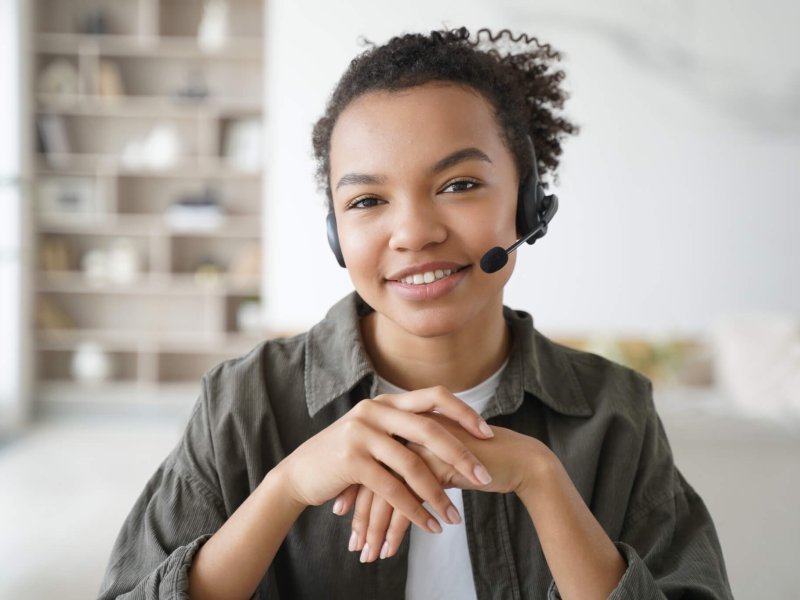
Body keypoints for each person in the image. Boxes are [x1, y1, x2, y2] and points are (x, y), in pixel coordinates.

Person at [98, 27, 733, 600]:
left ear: (529, 203)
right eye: (368, 199)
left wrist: (543, 480)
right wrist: (286, 487)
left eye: (458, 185)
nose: (413, 233)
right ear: (335, 233)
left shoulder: (616, 411)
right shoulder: (243, 401)